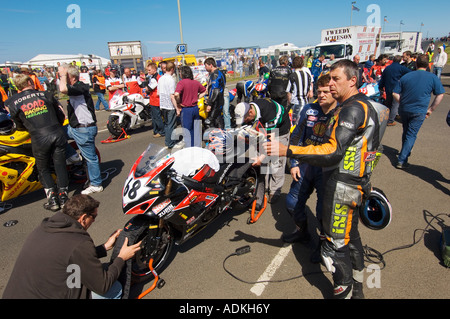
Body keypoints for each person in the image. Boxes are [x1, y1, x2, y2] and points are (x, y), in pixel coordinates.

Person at [264, 59, 389, 299]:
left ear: (353, 81)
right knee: (351, 241)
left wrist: (288, 151)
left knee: (333, 248)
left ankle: (346, 294)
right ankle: (358, 292)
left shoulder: (352, 109)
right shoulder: (365, 105)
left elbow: (333, 151)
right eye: (328, 79)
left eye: (336, 79)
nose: (330, 84)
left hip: (342, 187)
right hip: (354, 184)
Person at [2, 194, 141, 299]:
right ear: (83, 218)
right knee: (115, 288)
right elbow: (103, 285)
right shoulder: (78, 242)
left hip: (19, 292)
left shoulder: (46, 228)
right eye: (94, 217)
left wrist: (104, 247)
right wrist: (121, 257)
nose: (94, 221)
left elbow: (66, 256)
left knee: (96, 271)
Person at [283, 74, 337, 264]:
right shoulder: (309, 109)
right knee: (291, 202)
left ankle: (323, 247)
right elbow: (296, 136)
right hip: (305, 165)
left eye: (326, 92)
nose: (321, 95)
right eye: (319, 91)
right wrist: (294, 164)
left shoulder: (341, 112)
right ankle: (303, 232)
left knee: (324, 211)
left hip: (327, 168)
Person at [5, 74, 69, 211]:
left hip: (38, 137)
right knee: (60, 165)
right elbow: (61, 114)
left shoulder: (11, 102)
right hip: (56, 133)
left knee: (43, 168)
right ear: (29, 82)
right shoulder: (46, 94)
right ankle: (64, 198)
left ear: (17, 86)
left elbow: (17, 124)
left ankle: (53, 200)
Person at [392, 54, 445, 169]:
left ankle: (405, 151)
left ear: (416, 64)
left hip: (404, 109)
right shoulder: (432, 78)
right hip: (419, 110)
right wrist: (431, 109)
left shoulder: (406, 77)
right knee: (411, 134)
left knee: (406, 131)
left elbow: (395, 93)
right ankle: (402, 159)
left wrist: (402, 102)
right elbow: (440, 94)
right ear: (428, 65)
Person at [234, 97, 290, 204]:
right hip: (263, 126)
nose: (244, 121)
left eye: (245, 119)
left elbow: (270, 143)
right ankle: (262, 186)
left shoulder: (268, 112)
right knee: (261, 159)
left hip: (279, 129)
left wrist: (262, 157)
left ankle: (275, 190)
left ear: (250, 112)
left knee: (276, 160)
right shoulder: (249, 110)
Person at [58, 64, 103, 195]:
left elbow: (62, 89)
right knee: (56, 134)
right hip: (75, 128)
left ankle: (96, 184)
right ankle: (72, 155)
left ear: (71, 77)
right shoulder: (75, 88)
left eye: (66, 77)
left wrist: (62, 75)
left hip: (84, 129)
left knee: (91, 158)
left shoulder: (80, 87)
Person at [174, 65, 206, 147]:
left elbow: (176, 94)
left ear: (183, 74)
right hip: (195, 108)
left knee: (187, 131)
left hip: (186, 109)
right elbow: (204, 91)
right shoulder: (196, 82)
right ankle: (197, 147)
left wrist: (178, 102)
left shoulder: (181, 83)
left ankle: (189, 148)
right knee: (196, 130)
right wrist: (197, 97)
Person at [378, 55, 412, 126]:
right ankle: (390, 120)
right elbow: (410, 73)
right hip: (396, 89)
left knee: (388, 104)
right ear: (400, 60)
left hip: (388, 88)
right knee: (395, 105)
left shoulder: (387, 68)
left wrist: (381, 86)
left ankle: (385, 118)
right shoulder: (401, 68)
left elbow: (383, 78)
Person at [286, 56, 313, 125]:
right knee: (305, 123)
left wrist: (289, 103)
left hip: (296, 103)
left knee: (295, 124)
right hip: (305, 102)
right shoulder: (307, 75)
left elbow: (289, 92)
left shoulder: (293, 75)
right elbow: (309, 89)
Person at [158, 62, 178, 149]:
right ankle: (170, 142)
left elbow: (158, 93)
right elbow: (172, 95)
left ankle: (167, 140)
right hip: (170, 105)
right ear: (172, 69)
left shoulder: (161, 79)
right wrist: (177, 107)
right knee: (171, 124)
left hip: (162, 104)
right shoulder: (171, 80)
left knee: (166, 124)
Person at [204, 57, 226, 129]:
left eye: (206, 66)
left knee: (209, 121)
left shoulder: (215, 75)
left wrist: (210, 103)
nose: (205, 68)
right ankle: (220, 136)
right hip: (219, 100)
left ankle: (216, 137)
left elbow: (215, 90)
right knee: (218, 119)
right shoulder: (220, 72)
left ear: (211, 65)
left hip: (216, 102)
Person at [146, 61, 165, 138]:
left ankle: (161, 131)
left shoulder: (155, 78)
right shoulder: (156, 77)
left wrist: (146, 88)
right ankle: (156, 130)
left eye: (149, 70)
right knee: (154, 117)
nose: (148, 72)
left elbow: (149, 88)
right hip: (154, 99)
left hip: (155, 99)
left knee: (157, 117)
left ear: (154, 70)